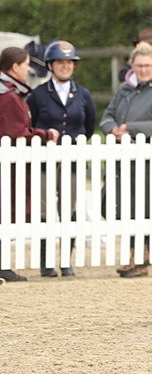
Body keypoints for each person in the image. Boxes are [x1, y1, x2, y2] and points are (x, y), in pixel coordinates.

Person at [98, 43, 152, 278]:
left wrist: (131, 128)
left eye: (147, 65)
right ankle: (136, 255)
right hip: (121, 162)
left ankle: (140, 258)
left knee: (142, 211)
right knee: (111, 206)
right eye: (139, 65)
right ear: (132, 66)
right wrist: (112, 129)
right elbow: (107, 116)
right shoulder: (124, 89)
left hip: (148, 166)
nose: (143, 70)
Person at [27, 40, 96, 277]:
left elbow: (89, 126)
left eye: (69, 62)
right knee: (46, 210)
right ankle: (47, 262)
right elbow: (32, 124)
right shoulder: (37, 95)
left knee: (71, 209)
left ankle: (66, 259)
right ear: (50, 65)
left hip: (73, 162)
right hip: (46, 162)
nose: (65, 66)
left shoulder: (83, 94)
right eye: (60, 62)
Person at [0, 47, 60, 283]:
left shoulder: (10, 93)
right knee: (5, 214)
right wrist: (45, 134)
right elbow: (16, 133)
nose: (28, 69)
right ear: (15, 67)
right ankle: (3, 266)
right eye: (25, 65)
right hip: (9, 167)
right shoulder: (9, 96)